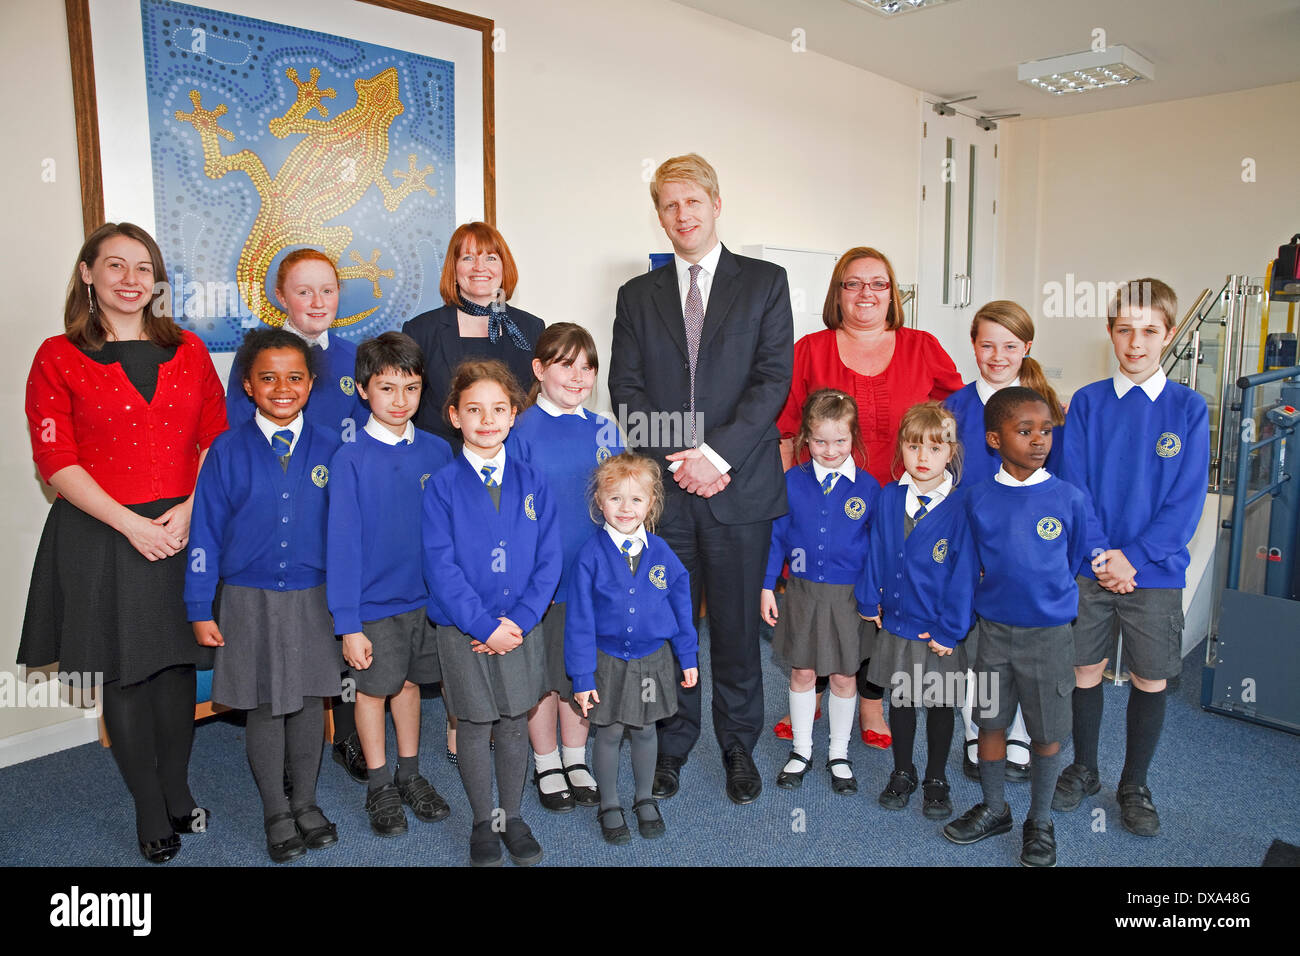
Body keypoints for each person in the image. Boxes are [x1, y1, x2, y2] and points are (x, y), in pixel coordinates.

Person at [20, 222, 227, 864]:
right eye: (116, 265)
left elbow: (216, 440)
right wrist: (132, 523)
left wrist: (192, 510)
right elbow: (55, 459)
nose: (132, 279)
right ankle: (146, 805)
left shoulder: (189, 350)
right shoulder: (57, 355)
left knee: (173, 665)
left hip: (182, 528)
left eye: (144, 267)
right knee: (125, 673)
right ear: (88, 274)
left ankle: (175, 787)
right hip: (102, 537)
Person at [609, 153, 793, 805]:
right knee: (672, 629)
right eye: (669, 205)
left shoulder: (766, 282)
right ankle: (673, 745)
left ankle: (739, 746)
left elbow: (774, 380)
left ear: (716, 204)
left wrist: (717, 456)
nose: (682, 215)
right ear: (658, 215)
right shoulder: (637, 296)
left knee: (740, 633)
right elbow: (624, 391)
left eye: (692, 202)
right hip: (666, 496)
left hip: (739, 490)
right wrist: (680, 460)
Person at [774, 248, 963, 749]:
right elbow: (787, 428)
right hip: (827, 506)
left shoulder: (922, 347)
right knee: (821, 600)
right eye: (853, 284)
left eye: (878, 284)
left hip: (903, 506)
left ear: (894, 294)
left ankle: (871, 698)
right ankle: (809, 690)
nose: (866, 294)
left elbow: (960, 411)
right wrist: (800, 496)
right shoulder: (810, 349)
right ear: (837, 292)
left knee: (885, 601)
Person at [1053, 279, 1209, 837]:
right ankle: (1084, 767)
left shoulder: (1189, 408)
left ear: (1168, 334)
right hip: (1090, 568)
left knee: (1150, 678)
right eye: (1124, 330)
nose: (1135, 343)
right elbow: (1075, 489)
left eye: (1148, 331)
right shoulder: (1089, 404)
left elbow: (1185, 503)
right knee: (1083, 669)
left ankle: (1135, 782)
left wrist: (1134, 559)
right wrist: (1101, 554)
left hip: (1156, 572)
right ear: (1110, 334)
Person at [185, 328, 344, 864]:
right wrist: (197, 605)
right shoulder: (228, 450)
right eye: (268, 378)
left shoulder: (332, 448)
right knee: (263, 705)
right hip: (248, 598)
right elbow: (204, 533)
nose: (282, 388)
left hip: (313, 596)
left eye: (294, 378)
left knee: (305, 701)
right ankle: (275, 810)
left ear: (311, 383)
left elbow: (348, 533)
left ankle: (305, 802)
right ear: (248, 386)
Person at [225, 248, 370, 785]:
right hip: (279, 523)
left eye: (327, 290)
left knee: (345, 627)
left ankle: (349, 738)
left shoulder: (357, 357)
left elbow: (366, 439)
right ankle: (284, 755)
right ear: (281, 297)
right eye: (303, 291)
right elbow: (238, 438)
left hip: (342, 516)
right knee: (288, 642)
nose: (316, 301)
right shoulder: (258, 358)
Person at [421, 359, 562, 867]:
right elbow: (441, 567)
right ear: (454, 416)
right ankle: (484, 820)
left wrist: (518, 623)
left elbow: (549, 560)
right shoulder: (441, 486)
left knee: (512, 718)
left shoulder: (533, 481)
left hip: (521, 629)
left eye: (498, 409)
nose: (487, 419)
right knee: (477, 723)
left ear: (513, 414)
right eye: (474, 410)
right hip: (465, 630)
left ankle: (512, 815)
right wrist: (484, 626)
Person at [944, 387, 1090, 867]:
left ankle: (1040, 820)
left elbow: (1072, 562)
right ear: (993, 439)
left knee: (1047, 732)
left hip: (1048, 637)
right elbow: (966, 566)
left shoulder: (1068, 498)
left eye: (1045, 430)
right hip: (991, 634)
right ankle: (994, 808)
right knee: (991, 722)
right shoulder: (976, 498)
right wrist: (954, 626)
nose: (1038, 440)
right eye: (1024, 431)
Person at [327, 332, 454, 837]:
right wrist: (348, 623)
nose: (400, 401)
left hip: (425, 601)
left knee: (408, 684)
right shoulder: (349, 458)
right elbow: (342, 546)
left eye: (411, 388)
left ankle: (410, 773)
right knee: (373, 691)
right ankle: (379, 784)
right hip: (373, 605)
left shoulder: (438, 452)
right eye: (386, 388)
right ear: (363, 390)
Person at [944, 301, 1067, 781]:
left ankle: (1017, 737)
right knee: (974, 652)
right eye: (987, 344)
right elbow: (941, 482)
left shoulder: (1046, 408)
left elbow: (1062, 483)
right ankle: (978, 736)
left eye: (1010, 346)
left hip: (1026, 555)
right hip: (968, 550)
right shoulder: (953, 407)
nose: (997, 356)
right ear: (973, 345)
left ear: (1027, 348)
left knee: (1022, 651)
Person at [510, 323, 624, 812]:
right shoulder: (518, 429)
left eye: (587, 366)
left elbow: (626, 503)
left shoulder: (606, 428)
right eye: (565, 364)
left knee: (579, 669)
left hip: (591, 576)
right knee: (540, 674)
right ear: (539, 369)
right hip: (537, 580)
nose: (579, 376)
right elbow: (509, 512)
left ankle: (575, 757)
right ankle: (546, 760)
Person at [566, 453, 699, 843]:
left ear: (651, 503)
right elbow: (579, 622)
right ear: (599, 502)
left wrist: (688, 656)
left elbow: (681, 607)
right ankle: (609, 804)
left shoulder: (662, 554)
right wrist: (582, 676)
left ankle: (643, 798)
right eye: (616, 499)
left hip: (652, 662)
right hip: (606, 662)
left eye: (636, 499)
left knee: (644, 731)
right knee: (608, 734)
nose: (626, 509)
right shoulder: (589, 557)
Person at [858, 402, 976, 820]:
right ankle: (903, 771)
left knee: (941, 707)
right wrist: (868, 598)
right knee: (903, 701)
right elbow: (875, 551)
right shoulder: (889, 497)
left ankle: (936, 777)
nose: (923, 458)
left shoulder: (962, 507)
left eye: (934, 448)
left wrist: (951, 629)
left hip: (939, 631)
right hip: (898, 624)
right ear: (901, 451)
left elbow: (965, 574)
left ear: (951, 452)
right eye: (913, 447)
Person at [761, 390, 879, 795]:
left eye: (840, 441)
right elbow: (776, 538)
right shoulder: (791, 481)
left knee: (846, 676)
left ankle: (839, 752)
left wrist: (873, 597)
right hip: (801, 593)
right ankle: (802, 749)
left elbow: (877, 549)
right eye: (820, 441)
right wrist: (765, 586)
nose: (830, 450)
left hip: (848, 597)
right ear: (805, 440)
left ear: (854, 439)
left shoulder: (869, 488)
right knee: (803, 671)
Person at [403, 222, 545, 449]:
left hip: (515, 462)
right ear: (454, 268)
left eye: (490, 258)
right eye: (468, 258)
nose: (480, 267)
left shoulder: (531, 328)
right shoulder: (420, 331)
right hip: (442, 463)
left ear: (503, 267)